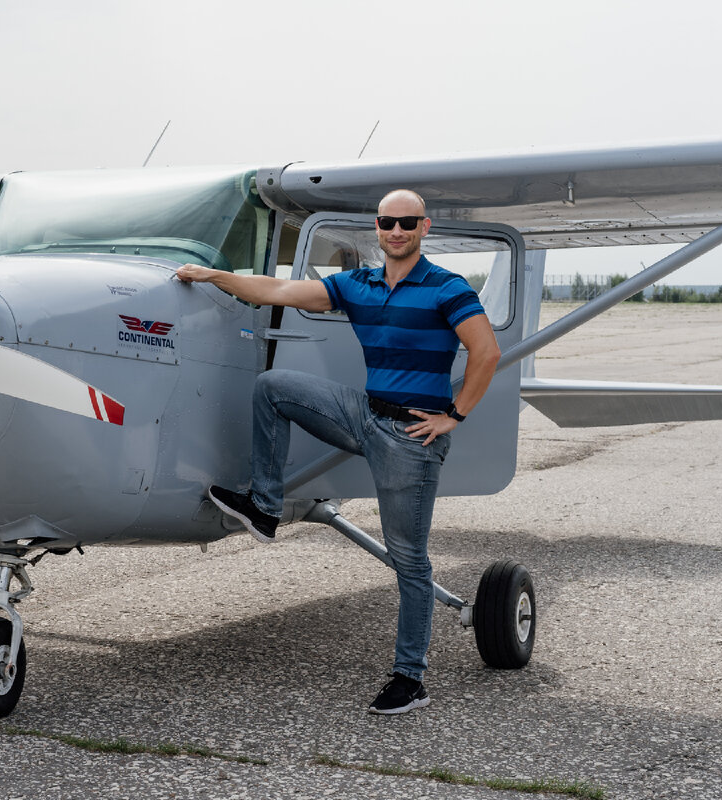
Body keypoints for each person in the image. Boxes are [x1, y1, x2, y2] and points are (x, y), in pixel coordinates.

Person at [175, 188, 501, 714]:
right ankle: (265, 505)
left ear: (425, 227)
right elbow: (279, 288)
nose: (396, 232)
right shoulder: (360, 284)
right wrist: (215, 276)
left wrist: (453, 416)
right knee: (274, 386)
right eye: (387, 223)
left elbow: (486, 352)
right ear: (377, 228)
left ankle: (409, 678)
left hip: (410, 440)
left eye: (407, 223)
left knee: (409, 563)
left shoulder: (446, 287)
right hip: (364, 412)